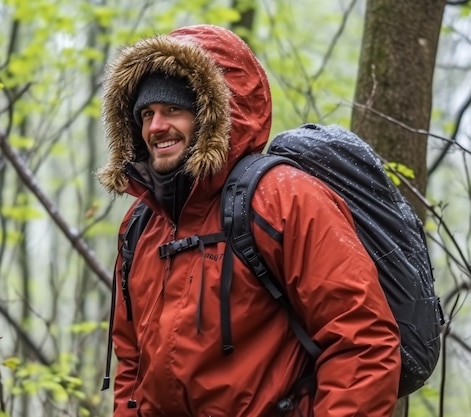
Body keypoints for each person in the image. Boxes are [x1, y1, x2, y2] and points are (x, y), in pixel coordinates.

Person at [98, 24, 401, 417]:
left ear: (211, 116)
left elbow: (363, 342)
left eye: (174, 109)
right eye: (147, 114)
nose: (157, 126)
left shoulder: (284, 198)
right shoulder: (141, 225)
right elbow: (131, 363)